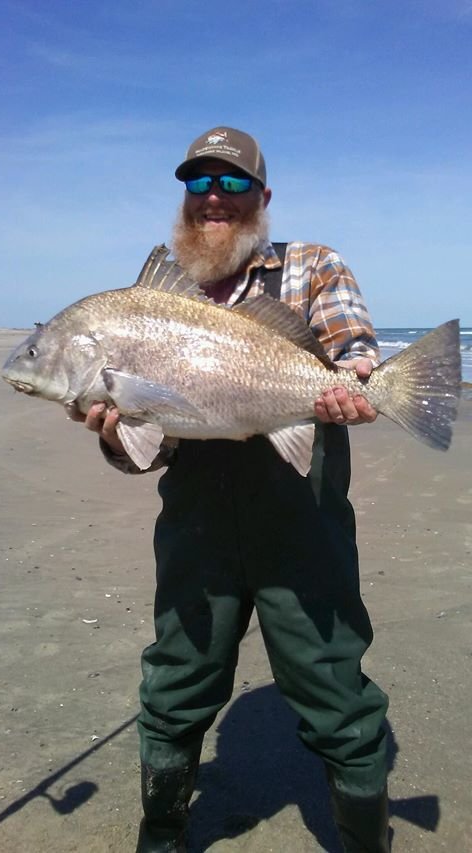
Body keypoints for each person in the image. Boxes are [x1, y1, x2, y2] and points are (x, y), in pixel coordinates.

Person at [68, 127, 390, 852]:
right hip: (198, 528)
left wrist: (355, 388)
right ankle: (162, 834)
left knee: (336, 690)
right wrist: (115, 429)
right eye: (200, 183)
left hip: (301, 525)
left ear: (262, 197)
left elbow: (356, 354)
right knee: (175, 685)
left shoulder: (311, 266)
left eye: (234, 183)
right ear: (185, 198)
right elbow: (148, 446)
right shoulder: (156, 295)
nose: (215, 196)